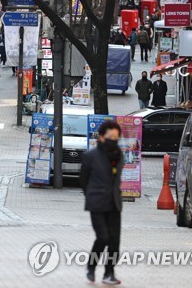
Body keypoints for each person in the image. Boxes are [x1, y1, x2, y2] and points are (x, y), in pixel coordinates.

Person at [80, 120, 123, 285]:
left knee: (114, 241)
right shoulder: (90, 156)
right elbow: (83, 180)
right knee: (103, 237)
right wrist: (91, 195)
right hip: (96, 202)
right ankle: (91, 267)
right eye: (110, 136)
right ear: (101, 137)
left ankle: (109, 273)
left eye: (116, 137)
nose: (113, 139)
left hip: (114, 203)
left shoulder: (118, 155)